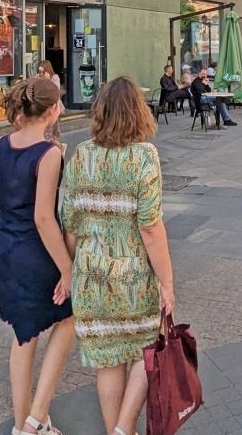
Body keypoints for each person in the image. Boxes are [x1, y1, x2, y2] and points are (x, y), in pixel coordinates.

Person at [61, 78, 175, 435]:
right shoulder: (144, 156)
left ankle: (117, 429)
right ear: (138, 114)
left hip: (91, 277)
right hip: (134, 278)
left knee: (107, 361)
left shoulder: (81, 155)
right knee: (149, 346)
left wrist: (76, 267)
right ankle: (124, 428)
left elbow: (70, 223)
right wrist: (167, 283)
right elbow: (150, 227)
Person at [0, 78, 76, 435]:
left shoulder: (2, 144)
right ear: (53, 110)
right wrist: (67, 269)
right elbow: (44, 218)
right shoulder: (49, 153)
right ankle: (36, 417)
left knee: (24, 334)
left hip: (4, 248)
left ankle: (22, 422)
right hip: (34, 252)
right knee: (69, 316)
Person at [37, 60, 63, 146]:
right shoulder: (39, 78)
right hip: (42, 105)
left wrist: (48, 80)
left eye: (43, 71)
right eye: (41, 71)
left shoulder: (54, 77)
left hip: (52, 105)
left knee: (53, 125)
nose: (42, 73)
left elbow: (55, 90)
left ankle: (54, 142)